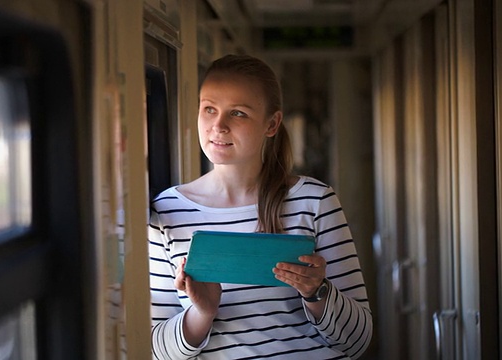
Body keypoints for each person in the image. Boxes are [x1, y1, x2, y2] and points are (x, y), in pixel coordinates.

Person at [148, 54, 372, 359]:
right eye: (209, 109)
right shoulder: (166, 211)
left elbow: (358, 341)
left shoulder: (314, 200)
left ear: (272, 124)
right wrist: (202, 312)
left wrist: (316, 292)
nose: (218, 125)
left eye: (238, 113)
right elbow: (156, 350)